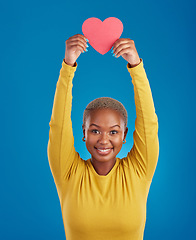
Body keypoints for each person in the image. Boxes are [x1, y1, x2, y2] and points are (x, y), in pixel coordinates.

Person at [47, 34, 159, 240]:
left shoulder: (139, 171)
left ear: (125, 135)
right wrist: (68, 66)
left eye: (113, 132)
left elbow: (149, 126)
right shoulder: (68, 173)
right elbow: (58, 125)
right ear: (84, 133)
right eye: (95, 130)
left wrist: (136, 66)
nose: (104, 140)